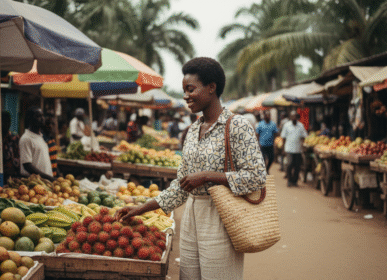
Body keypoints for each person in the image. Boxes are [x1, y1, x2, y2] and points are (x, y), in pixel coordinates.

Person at [116, 57, 266, 279]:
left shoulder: (237, 126)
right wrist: (139, 209)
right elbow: (180, 186)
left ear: (211, 88)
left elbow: (256, 177)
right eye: (184, 90)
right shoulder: (193, 131)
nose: (185, 96)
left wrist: (207, 177)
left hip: (222, 216)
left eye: (190, 89)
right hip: (191, 216)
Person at [19, 107, 55, 181]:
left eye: (42, 115)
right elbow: (27, 165)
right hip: (35, 183)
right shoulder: (26, 138)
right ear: (30, 119)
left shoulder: (41, 136)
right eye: (38, 116)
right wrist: (49, 178)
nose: (42, 118)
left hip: (46, 182)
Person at [281, 111, 308, 187]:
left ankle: (295, 181)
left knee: (297, 166)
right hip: (289, 149)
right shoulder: (286, 125)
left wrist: (302, 144)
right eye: (292, 117)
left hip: (298, 149)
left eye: (295, 116)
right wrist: (283, 149)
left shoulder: (301, 126)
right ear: (290, 117)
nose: (294, 118)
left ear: (297, 117)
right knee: (289, 164)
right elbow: (283, 137)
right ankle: (289, 180)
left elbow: (304, 136)